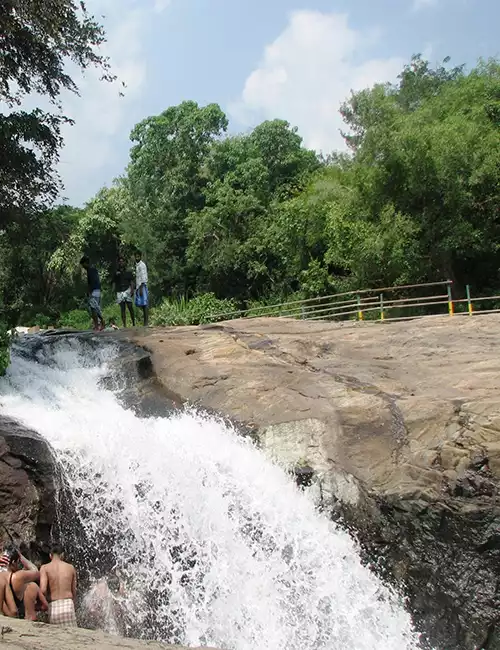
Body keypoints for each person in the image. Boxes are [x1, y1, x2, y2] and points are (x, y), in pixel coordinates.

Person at [2, 548, 48, 621]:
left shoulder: (1, 577)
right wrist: (21, 557)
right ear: (13, 562)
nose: (18, 565)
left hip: (5, 616)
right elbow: (35, 571)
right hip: (19, 617)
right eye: (18, 562)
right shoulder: (18, 576)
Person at [40, 545, 77, 627]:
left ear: (50, 555)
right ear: (62, 555)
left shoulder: (45, 568)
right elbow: (74, 591)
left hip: (53, 606)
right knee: (72, 637)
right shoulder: (71, 568)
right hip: (68, 605)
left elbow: (43, 590)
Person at [80, 256, 105, 332]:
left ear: (86, 263)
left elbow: (92, 283)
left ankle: (100, 324)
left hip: (94, 291)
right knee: (94, 308)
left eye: (83, 264)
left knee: (94, 309)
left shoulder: (91, 271)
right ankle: (97, 325)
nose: (83, 267)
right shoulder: (92, 270)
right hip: (96, 290)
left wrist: (89, 292)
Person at [113, 257, 135, 328]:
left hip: (127, 290)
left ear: (125, 263)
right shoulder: (116, 273)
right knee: (122, 309)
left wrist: (132, 290)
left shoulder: (128, 272)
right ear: (118, 263)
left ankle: (134, 323)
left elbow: (131, 282)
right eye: (120, 261)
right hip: (119, 291)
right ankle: (124, 325)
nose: (121, 263)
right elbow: (114, 282)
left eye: (122, 261)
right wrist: (113, 292)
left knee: (130, 307)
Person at [134, 251, 149, 327]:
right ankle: (145, 322)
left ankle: (146, 322)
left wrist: (141, 288)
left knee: (145, 304)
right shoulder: (137, 265)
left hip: (142, 286)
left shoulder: (142, 265)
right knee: (142, 304)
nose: (137, 258)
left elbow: (143, 277)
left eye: (138, 256)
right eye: (136, 257)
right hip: (138, 286)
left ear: (140, 257)